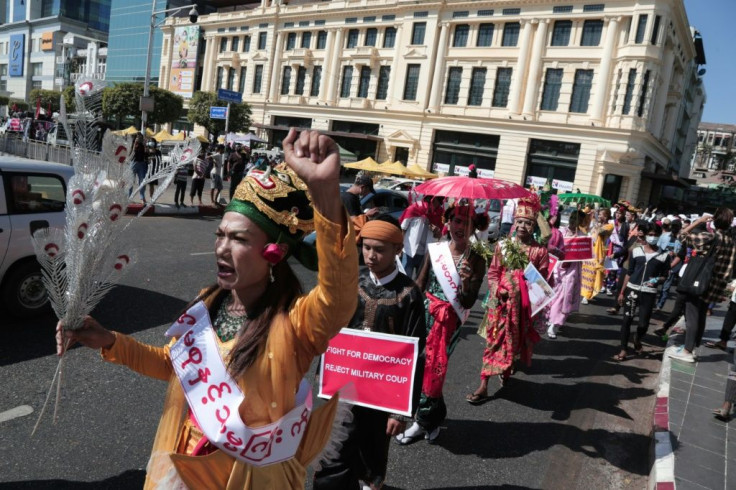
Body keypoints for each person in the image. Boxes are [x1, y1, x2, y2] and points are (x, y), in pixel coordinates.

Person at [55, 128, 358, 489]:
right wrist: (108, 341)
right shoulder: (209, 301)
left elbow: (338, 295)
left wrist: (325, 193)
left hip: (247, 476)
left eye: (240, 239)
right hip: (186, 464)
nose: (221, 248)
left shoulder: (298, 321)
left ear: (274, 253)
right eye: (220, 235)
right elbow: (174, 366)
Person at [313, 215, 426, 490]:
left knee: (373, 446)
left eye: (379, 249)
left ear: (397, 250)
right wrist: (324, 374)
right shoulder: (353, 281)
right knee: (336, 443)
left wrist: (400, 412)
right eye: (366, 247)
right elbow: (333, 331)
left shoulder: (408, 294)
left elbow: (415, 353)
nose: (371, 255)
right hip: (346, 383)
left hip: (383, 391)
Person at [395, 204, 485, 444]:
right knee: (419, 367)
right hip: (425, 314)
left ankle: (421, 421)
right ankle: (431, 416)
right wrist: (403, 306)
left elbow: (468, 301)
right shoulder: (436, 251)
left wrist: (465, 283)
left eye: (467, 223)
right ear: (448, 222)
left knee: (435, 371)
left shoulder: (476, 260)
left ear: (474, 228)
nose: (461, 227)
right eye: (457, 221)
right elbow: (420, 283)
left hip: (449, 322)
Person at [465, 196, 550, 405]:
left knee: (513, 343)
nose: (522, 226)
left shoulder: (539, 251)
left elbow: (541, 283)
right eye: (519, 221)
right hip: (499, 305)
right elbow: (493, 273)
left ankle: (506, 371)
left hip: (521, 308)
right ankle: (484, 384)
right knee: (492, 342)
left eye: (527, 223)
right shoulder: (503, 246)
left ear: (534, 226)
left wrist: (523, 285)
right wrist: (498, 290)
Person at [669, 209, 736, 363]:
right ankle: (692, 347)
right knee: (701, 315)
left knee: (692, 315)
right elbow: (729, 268)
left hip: (698, 281)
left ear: (715, 221)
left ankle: (687, 350)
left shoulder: (710, 237)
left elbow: (681, 235)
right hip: (714, 285)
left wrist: (699, 221)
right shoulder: (731, 242)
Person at [613, 222, 670, 361]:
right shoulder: (636, 251)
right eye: (650, 235)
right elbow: (629, 273)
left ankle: (637, 339)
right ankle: (623, 350)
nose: (652, 237)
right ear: (646, 235)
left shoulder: (664, 255)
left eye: (655, 235)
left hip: (648, 293)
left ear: (659, 236)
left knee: (643, 324)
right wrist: (621, 292)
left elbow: (665, 275)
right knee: (627, 321)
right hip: (632, 290)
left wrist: (656, 280)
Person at [546, 210, 585, 339]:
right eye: (572, 218)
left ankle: (555, 323)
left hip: (572, 270)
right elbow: (551, 247)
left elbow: (586, 254)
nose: (573, 221)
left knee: (564, 295)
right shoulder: (561, 232)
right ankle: (549, 316)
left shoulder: (582, 236)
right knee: (553, 292)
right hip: (558, 267)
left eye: (577, 219)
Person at [581, 208, 613, 304]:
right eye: (598, 214)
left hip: (599, 255)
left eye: (601, 215)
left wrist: (596, 222)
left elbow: (601, 232)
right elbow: (587, 231)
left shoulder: (609, 226)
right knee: (586, 273)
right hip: (590, 251)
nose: (599, 216)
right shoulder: (595, 224)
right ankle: (585, 294)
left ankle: (587, 295)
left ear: (606, 216)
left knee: (594, 274)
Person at [398, 198, 433, 280]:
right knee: (405, 278)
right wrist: (400, 246)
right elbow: (403, 228)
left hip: (424, 253)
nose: (434, 206)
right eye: (432, 202)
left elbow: (440, 235)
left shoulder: (436, 215)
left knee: (420, 280)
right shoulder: (413, 209)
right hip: (409, 251)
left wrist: (436, 230)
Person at [130, 134, 148, 204]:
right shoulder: (133, 144)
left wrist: (145, 145)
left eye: (141, 137)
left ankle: (142, 197)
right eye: (138, 137)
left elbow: (146, 154)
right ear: (136, 138)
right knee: (131, 181)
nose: (139, 139)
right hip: (133, 163)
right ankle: (129, 197)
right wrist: (135, 143)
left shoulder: (143, 145)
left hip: (141, 163)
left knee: (142, 181)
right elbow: (131, 153)